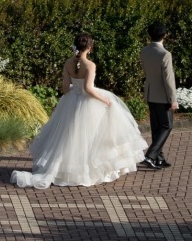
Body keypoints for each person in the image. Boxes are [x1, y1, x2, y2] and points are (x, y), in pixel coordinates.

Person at [10, 32, 147, 189]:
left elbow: (64, 88)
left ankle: (63, 169)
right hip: (87, 102)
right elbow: (88, 88)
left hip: (70, 101)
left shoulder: (68, 63)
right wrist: (104, 100)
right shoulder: (90, 65)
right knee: (90, 138)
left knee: (67, 137)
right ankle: (85, 172)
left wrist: (73, 90)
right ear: (89, 47)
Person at [138, 21, 178, 170]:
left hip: (150, 92)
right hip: (163, 95)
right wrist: (173, 99)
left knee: (156, 126)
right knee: (167, 125)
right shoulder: (165, 54)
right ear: (165, 35)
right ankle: (150, 156)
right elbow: (168, 79)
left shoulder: (144, 51)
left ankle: (159, 158)